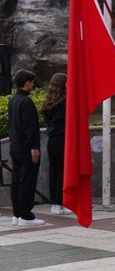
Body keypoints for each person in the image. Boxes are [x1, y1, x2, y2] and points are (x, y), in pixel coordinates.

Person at [8, 69, 43, 227]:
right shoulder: (26, 102)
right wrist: (34, 148)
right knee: (27, 181)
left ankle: (17, 214)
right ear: (26, 82)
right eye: (32, 81)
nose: (33, 84)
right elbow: (30, 128)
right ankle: (26, 215)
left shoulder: (13, 99)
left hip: (15, 146)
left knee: (17, 180)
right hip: (25, 148)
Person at [41, 73, 68, 216]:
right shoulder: (63, 103)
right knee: (60, 172)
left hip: (52, 140)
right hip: (61, 139)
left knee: (54, 171)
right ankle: (58, 203)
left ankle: (56, 202)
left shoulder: (48, 102)